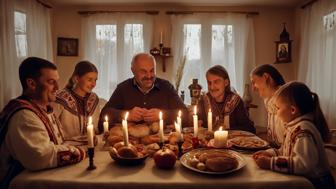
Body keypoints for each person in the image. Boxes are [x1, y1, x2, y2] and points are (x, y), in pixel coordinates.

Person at [0, 57, 85, 189]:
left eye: (57, 81)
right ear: (31, 84)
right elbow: (39, 156)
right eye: (51, 82)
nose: (57, 87)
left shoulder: (44, 108)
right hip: (20, 183)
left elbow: (58, 144)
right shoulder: (24, 115)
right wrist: (79, 152)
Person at [253, 81, 334, 189]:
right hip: (304, 179)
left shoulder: (303, 130)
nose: (276, 112)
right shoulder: (294, 127)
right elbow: (285, 152)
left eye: (278, 108)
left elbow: (304, 164)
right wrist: (269, 153)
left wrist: (270, 163)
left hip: (316, 183)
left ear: (292, 110)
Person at [99, 53, 187, 132]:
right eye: (143, 72)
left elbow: (186, 116)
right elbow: (104, 116)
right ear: (133, 71)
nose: (149, 76)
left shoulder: (166, 87)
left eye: (152, 71)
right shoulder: (123, 88)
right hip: (130, 144)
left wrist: (162, 115)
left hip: (163, 144)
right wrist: (127, 114)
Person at [52, 61, 101, 144]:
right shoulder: (60, 98)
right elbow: (52, 128)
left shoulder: (94, 99)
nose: (93, 84)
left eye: (95, 80)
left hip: (89, 146)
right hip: (66, 148)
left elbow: (95, 128)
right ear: (76, 79)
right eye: (89, 80)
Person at [197, 65, 255, 133]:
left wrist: (228, 130)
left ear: (226, 82)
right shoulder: (203, 100)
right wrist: (198, 123)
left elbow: (250, 128)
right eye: (209, 82)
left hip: (232, 141)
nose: (212, 87)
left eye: (216, 82)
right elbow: (199, 124)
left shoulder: (236, 101)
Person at [250, 64, 285, 148]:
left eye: (254, 82)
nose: (253, 88)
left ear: (266, 77)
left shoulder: (285, 101)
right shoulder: (269, 101)